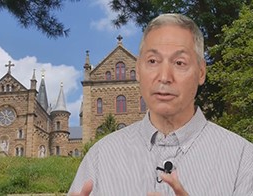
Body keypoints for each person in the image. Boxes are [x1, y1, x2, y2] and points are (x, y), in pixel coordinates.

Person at [68, 13, 253, 196]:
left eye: (179, 63)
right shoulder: (101, 156)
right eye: (153, 61)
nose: (164, 77)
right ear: (139, 70)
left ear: (201, 72)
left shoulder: (242, 160)